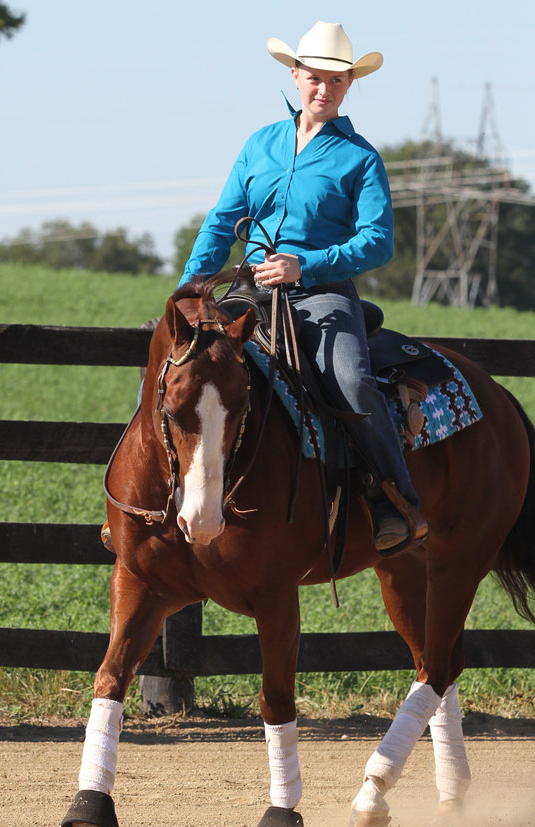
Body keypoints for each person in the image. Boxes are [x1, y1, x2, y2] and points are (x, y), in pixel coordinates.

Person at [179, 20, 419, 551]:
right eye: (315, 77)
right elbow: (222, 222)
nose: (324, 89)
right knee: (180, 363)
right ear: (295, 75)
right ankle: (153, 497)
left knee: (353, 381)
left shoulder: (360, 159)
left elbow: (378, 242)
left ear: (350, 85)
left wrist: (304, 264)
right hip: (247, 288)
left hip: (322, 293)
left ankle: (394, 498)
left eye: (337, 81)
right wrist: (189, 292)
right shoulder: (259, 144)